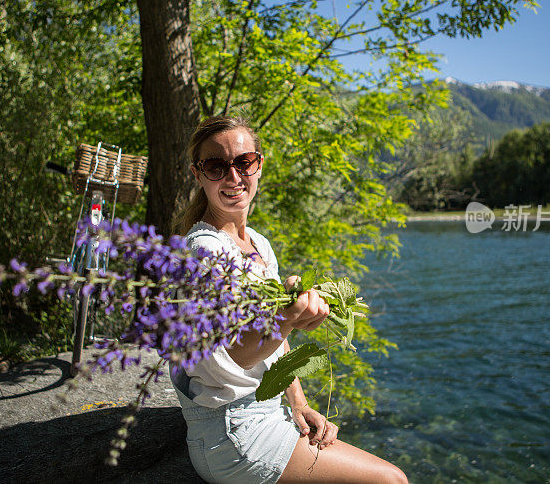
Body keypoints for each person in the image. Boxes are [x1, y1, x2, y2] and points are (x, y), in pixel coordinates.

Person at [170, 115, 408, 484]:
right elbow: (229, 355)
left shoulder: (258, 244)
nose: (233, 177)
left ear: (259, 165)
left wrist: (299, 402)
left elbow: (273, 351)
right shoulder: (206, 252)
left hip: (265, 411)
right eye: (216, 167)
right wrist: (286, 318)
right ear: (198, 175)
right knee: (391, 480)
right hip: (234, 431)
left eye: (243, 162)